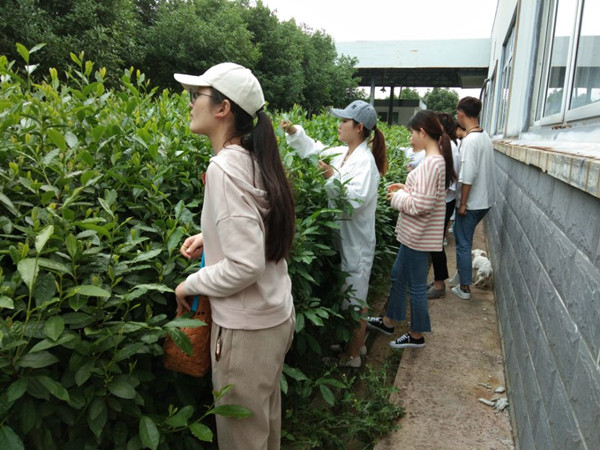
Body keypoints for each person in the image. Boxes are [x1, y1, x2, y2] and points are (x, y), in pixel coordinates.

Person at [173, 62, 296, 450]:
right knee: (264, 430)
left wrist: (190, 284)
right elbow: (255, 231)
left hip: (246, 335)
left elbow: (245, 264)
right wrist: (210, 238)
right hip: (274, 318)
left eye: (197, 95)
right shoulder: (253, 159)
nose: (191, 103)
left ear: (223, 108)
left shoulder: (225, 168)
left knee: (242, 441)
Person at [280, 100, 387, 367]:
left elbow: (356, 200)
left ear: (359, 127)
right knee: (348, 294)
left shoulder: (365, 163)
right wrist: (295, 132)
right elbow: (315, 149)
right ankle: (355, 344)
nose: (339, 125)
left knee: (355, 299)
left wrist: (331, 176)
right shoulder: (343, 153)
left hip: (357, 243)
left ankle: (353, 356)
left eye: (344, 121)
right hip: (345, 239)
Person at [367, 110, 455, 349]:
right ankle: (389, 321)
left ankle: (416, 335)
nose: (410, 138)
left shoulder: (432, 163)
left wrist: (397, 197)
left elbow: (421, 205)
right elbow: (426, 196)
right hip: (415, 235)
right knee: (398, 275)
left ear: (422, 132)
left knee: (416, 286)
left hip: (418, 236)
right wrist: (405, 188)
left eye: (412, 133)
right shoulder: (435, 160)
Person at [449, 97, 496, 300]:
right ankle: (462, 274)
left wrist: (462, 204)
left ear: (460, 114)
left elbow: (467, 176)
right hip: (485, 201)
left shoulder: (470, 141)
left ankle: (465, 288)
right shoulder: (484, 136)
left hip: (472, 202)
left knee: (463, 242)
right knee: (463, 238)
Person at [427, 112, 461, 298]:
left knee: (435, 243)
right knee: (436, 243)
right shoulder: (450, 145)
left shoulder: (447, 146)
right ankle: (438, 281)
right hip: (446, 200)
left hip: (444, 200)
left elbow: (446, 180)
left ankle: (440, 285)